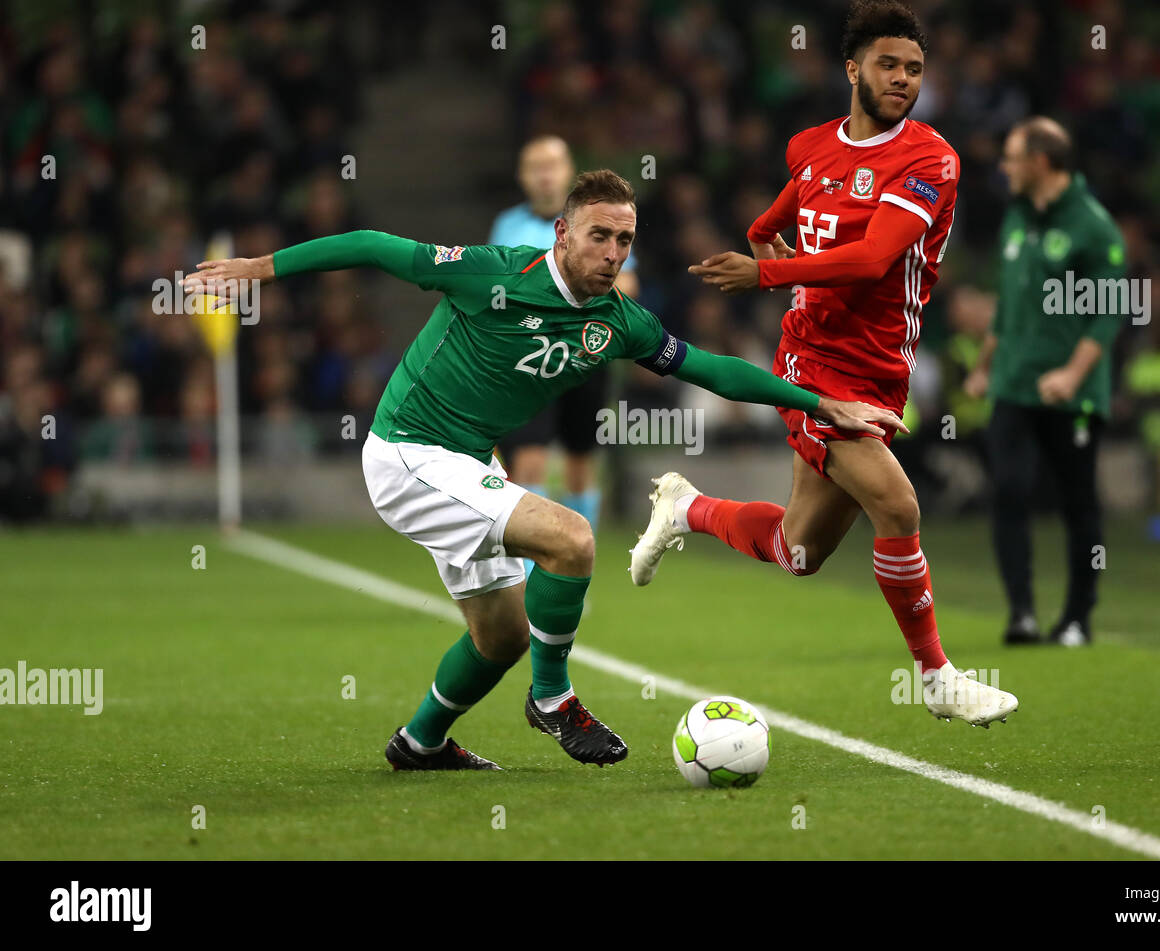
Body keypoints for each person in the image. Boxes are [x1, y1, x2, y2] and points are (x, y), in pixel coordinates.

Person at [184, 170, 899, 770]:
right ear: (561, 234)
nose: (613, 251)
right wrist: (258, 269)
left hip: (464, 463)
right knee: (573, 539)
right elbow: (374, 245)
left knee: (502, 636)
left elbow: (714, 369)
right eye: (599, 234)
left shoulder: (619, 321)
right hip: (408, 451)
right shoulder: (494, 274)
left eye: (624, 239)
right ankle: (552, 700)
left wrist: (821, 403)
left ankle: (421, 741)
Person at [630, 0, 1019, 727]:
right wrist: (767, 250)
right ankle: (937, 677)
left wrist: (765, 271)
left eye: (913, 69)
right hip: (813, 368)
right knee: (899, 505)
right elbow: (768, 222)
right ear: (852, 68)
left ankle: (686, 506)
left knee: (798, 550)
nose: (902, 79)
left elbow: (873, 259)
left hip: (881, 371)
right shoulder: (811, 147)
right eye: (888, 64)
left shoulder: (930, 159)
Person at [963, 117, 1126, 647]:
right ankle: (1022, 614)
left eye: (1012, 157)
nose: (1004, 167)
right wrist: (985, 365)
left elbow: (1108, 313)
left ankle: (1078, 617)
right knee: (1008, 491)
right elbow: (1009, 305)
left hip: (1071, 394)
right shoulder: (1016, 218)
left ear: (1040, 162)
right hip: (1013, 385)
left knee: (1078, 502)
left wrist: (1073, 374)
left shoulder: (1093, 227)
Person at [489, 136, 638, 565]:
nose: (545, 174)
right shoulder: (507, 227)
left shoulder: (597, 220)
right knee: (530, 461)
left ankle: (575, 565)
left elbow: (628, 283)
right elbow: (502, 290)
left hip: (586, 358)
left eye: (552, 165)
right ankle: (535, 568)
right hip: (532, 358)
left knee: (579, 466)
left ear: (567, 170)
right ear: (523, 176)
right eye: (536, 166)